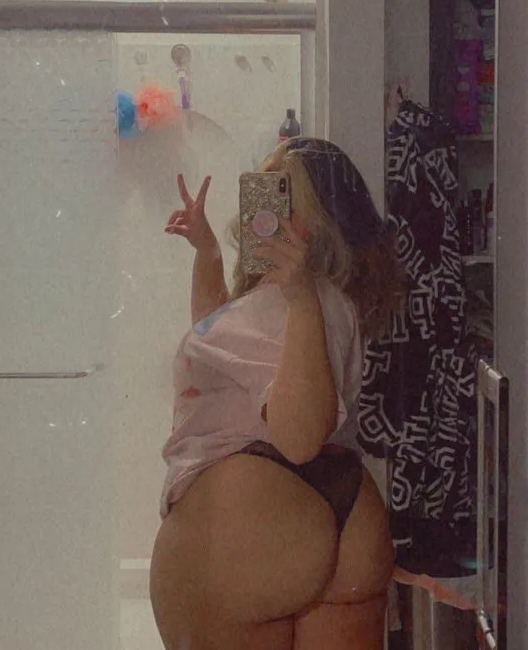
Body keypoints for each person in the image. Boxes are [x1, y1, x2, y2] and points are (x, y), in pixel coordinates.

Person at [149, 138, 404, 650]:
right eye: (267, 198)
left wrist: (300, 297)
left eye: (288, 204)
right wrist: (207, 253)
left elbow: (298, 439)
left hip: (247, 525)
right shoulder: (334, 305)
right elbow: (228, 351)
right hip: (348, 515)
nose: (268, 218)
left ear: (324, 226)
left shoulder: (305, 301)